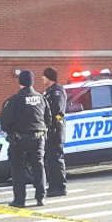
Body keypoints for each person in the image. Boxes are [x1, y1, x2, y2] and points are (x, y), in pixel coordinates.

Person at [0, 70, 48, 208]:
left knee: (18, 169)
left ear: (20, 82)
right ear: (32, 82)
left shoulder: (14, 100)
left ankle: (20, 200)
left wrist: (11, 132)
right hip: (38, 139)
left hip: (19, 140)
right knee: (38, 167)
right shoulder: (41, 98)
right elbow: (48, 119)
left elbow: (4, 123)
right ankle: (41, 197)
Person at [42, 67, 68, 197]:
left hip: (56, 128)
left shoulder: (58, 91)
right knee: (50, 159)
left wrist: (52, 123)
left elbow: (58, 110)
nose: (42, 78)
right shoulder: (48, 92)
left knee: (56, 158)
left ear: (49, 77)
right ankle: (52, 186)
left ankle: (60, 187)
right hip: (48, 129)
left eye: (44, 76)